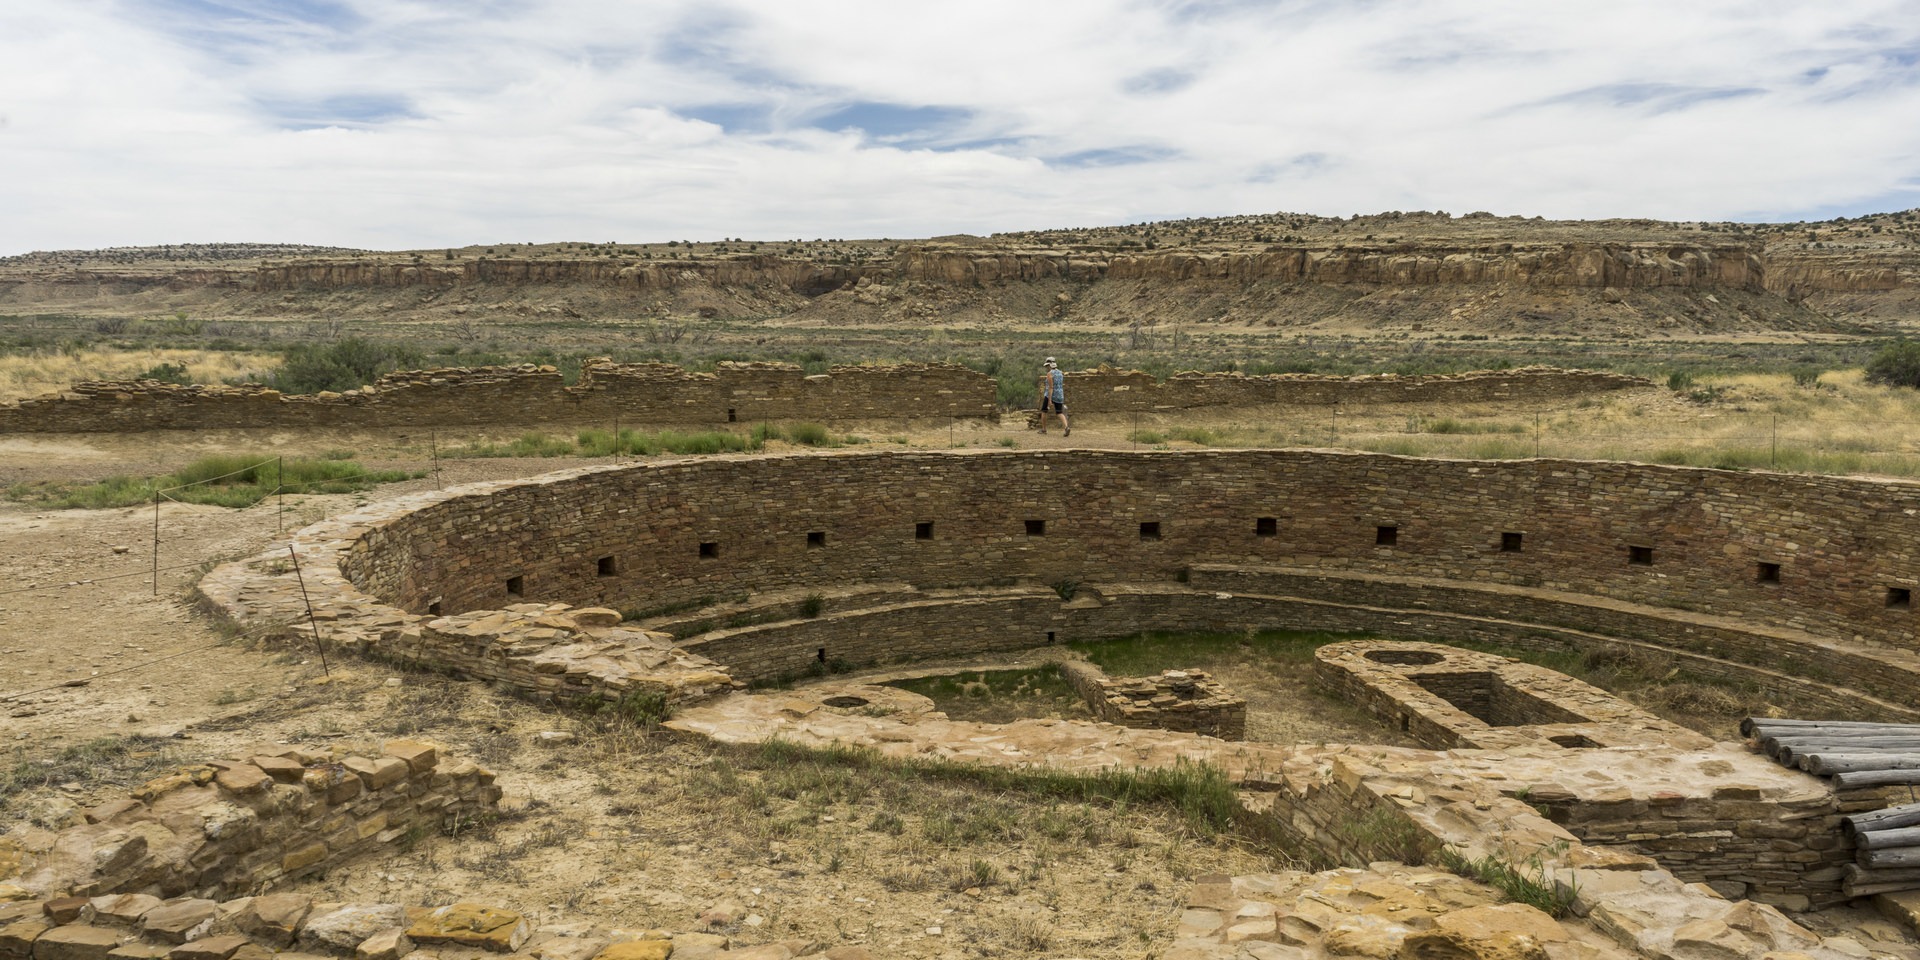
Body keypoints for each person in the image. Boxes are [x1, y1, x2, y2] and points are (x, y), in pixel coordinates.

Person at [1037, 357, 1070, 437]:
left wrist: (1050, 400)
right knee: (1059, 412)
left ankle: (1044, 429)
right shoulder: (1060, 373)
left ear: (1049, 365)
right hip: (1060, 394)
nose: (1046, 367)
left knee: (1044, 411)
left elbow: (1051, 387)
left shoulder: (1050, 374)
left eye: (1047, 366)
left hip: (1050, 395)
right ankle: (1066, 427)